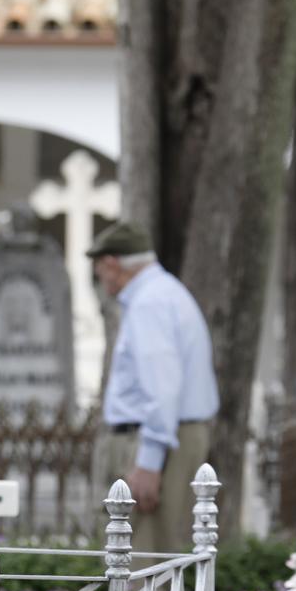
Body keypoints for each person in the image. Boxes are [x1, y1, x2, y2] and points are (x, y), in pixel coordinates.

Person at [88, 222, 220, 554]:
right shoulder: (163, 293)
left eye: (98, 267)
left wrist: (148, 462)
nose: (99, 277)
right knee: (152, 555)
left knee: (142, 560)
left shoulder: (150, 303)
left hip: (156, 441)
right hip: (168, 436)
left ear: (111, 264)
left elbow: (162, 387)